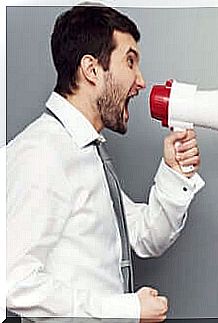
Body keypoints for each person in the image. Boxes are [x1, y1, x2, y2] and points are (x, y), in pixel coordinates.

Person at [6, 3, 204, 321]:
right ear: (92, 70)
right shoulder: (42, 154)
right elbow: (12, 283)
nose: (140, 82)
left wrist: (175, 174)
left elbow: (142, 236)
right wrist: (124, 309)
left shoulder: (86, 152)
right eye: (130, 62)